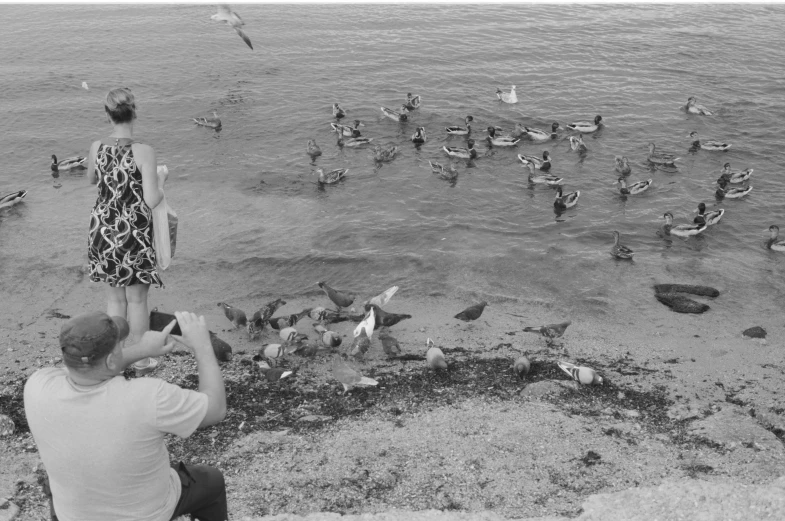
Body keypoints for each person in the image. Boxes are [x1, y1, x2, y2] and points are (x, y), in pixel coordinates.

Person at [24, 311, 228, 521]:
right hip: (146, 515)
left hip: (71, 515)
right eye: (120, 344)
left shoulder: (38, 385)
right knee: (211, 480)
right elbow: (215, 409)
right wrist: (203, 346)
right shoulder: (149, 397)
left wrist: (141, 350)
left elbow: (90, 371)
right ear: (112, 359)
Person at [86, 87, 168, 376]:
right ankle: (143, 360)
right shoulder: (144, 151)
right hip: (132, 232)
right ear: (135, 112)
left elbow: (91, 178)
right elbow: (151, 199)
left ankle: (116, 358)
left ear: (108, 114)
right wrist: (161, 179)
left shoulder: (97, 147)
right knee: (137, 300)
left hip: (103, 230)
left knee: (114, 300)